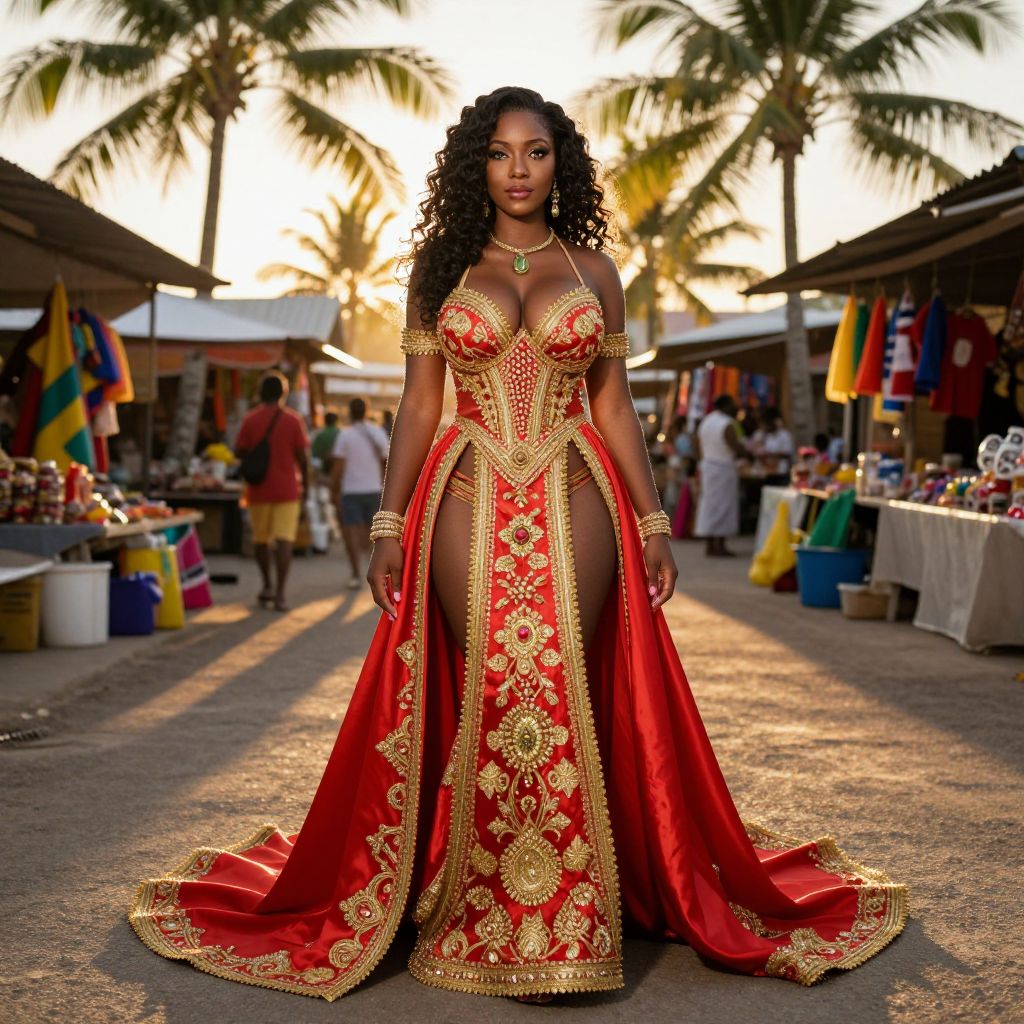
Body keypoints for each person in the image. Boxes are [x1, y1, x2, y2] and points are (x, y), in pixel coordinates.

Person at [130, 87, 906, 1003]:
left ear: (558, 162)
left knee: (562, 670)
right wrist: (388, 523)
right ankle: (484, 903)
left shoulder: (595, 271)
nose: (519, 170)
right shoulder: (442, 266)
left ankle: (566, 914)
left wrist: (654, 521)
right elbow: (421, 401)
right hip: (466, 485)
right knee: (497, 675)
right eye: (500, 154)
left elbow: (612, 402)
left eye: (535, 152)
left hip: (579, 483)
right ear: (477, 166)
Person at [233, 371, 309, 611]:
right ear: (284, 393)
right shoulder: (293, 420)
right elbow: (303, 457)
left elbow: (239, 451)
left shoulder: (250, 419)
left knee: (260, 540)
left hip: (258, 488)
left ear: (260, 393)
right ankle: (280, 593)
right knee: (284, 540)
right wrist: (306, 484)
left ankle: (266, 585)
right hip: (288, 488)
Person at [330, 397, 390, 589]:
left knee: (352, 535)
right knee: (373, 536)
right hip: (374, 489)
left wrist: (334, 489)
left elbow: (338, 467)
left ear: (349, 412)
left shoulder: (345, 435)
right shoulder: (377, 432)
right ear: (367, 411)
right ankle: (377, 574)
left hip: (351, 491)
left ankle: (356, 574)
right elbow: (386, 461)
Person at [694, 394, 745, 557]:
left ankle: (710, 545)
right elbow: (734, 445)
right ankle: (720, 545)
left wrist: (702, 461)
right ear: (725, 406)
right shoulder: (727, 423)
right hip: (723, 468)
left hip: (708, 466)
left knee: (709, 506)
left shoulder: (706, 421)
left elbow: (696, 443)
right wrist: (747, 452)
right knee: (724, 507)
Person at [750, 406, 794, 485]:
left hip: (780, 475)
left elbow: (788, 452)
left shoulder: (784, 434)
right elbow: (755, 452)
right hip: (762, 475)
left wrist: (770, 454)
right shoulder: (759, 434)